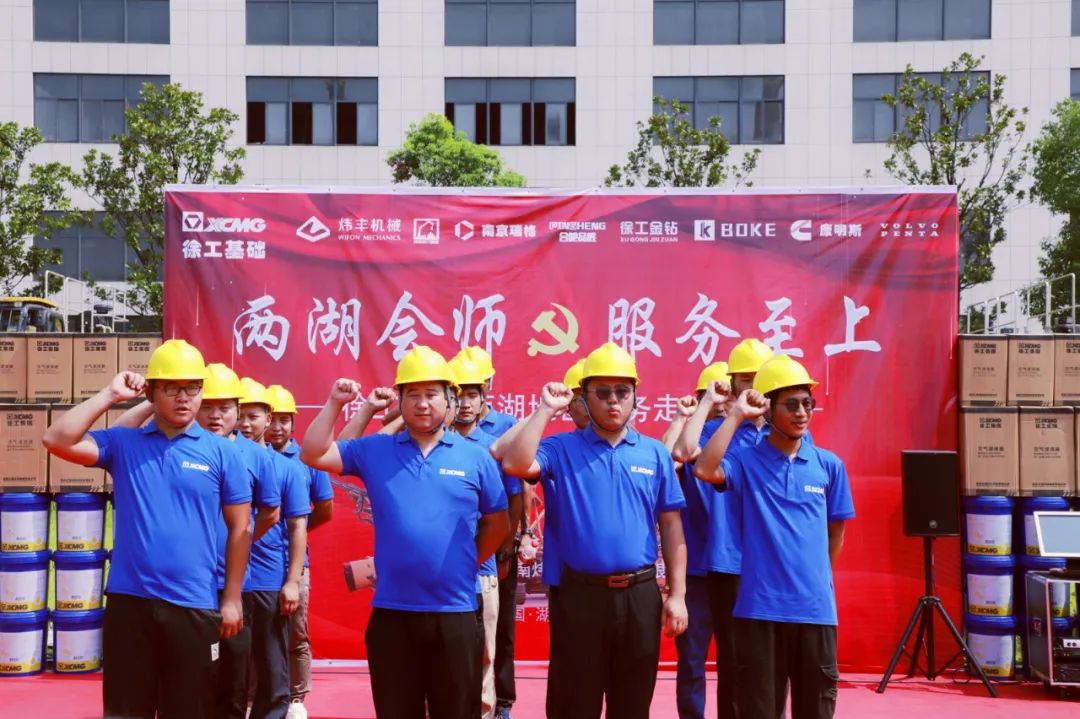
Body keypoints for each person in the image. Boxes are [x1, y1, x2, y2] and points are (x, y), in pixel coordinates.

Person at [41, 339, 252, 719]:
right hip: (130, 603)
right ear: (151, 393)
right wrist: (110, 395)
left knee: (190, 710)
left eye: (192, 388)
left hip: (193, 603)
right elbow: (55, 439)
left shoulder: (223, 452)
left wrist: (233, 598)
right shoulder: (124, 443)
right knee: (126, 710)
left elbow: (240, 529)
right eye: (171, 388)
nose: (184, 397)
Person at [301, 346, 510, 718]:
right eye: (412, 394)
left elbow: (499, 522)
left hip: (454, 613)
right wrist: (335, 403)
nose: (422, 403)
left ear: (449, 399)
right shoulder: (377, 450)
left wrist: (466, 563)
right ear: (400, 400)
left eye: (431, 394)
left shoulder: (475, 457)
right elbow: (314, 453)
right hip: (392, 614)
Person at [501, 342, 688, 719]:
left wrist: (678, 594)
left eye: (622, 391)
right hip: (581, 596)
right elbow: (516, 464)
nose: (613, 401)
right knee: (575, 703)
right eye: (601, 392)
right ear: (584, 398)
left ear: (635, 396)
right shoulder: (561, 448)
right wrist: (545, 409)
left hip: (640, 595)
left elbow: (670, 525)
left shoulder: (654, 453)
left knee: (632, 704)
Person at [694, 355, 855, 719]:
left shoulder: (829, 465)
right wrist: (736, 413)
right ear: (768, 408)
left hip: (815, 613)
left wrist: (813, 583)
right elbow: (704, 468)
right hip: (759, 611)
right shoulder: (746, 460)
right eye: (791, 404)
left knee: (816, 710)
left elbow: (836, 534)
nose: (802, 413)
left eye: (807, 403)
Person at [673, 339, 774, 719]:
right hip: (714, 564)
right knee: (705, 661)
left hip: (765, 567)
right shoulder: (718, 432)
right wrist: (707, 404)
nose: (753, 388)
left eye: (760, 379)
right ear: (732, 386)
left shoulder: (783, 436)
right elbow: (683, 453)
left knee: (762, 662)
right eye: (744, 380)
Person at [449, 354, 521, 719]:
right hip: (441, 572)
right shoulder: (430, 446)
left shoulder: (493, 447)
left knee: (486, 650)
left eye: (471, 395)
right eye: (457, 395)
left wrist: (503, 551)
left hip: (482, 568)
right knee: (444, 654)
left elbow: (512, 501)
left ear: (483, 398)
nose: (464, 403)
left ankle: (489, 710)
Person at [236, 378, 312, 719]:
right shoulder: (219, 460)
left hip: (267, 580)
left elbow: (298, 528)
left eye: (253, 416)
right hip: (222, 580)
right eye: (240, 414)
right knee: (229, 663)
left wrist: (292, 581)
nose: (245, 423)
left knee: (272, 665)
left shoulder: (288, 469)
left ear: (268, 418)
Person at [262, 385, 335, 719]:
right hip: (254, 564)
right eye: (273, 419)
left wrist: (296, 535)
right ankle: (256, 695)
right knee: (258, 633)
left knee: (296, 632)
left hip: (294, 565)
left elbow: (325, 509)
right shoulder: (251, 455)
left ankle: (295, 697)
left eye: (284, 420)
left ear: (293, 422)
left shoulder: (307, 459)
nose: (277, 427)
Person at [662, 361, 729, 719]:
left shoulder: (742, 442)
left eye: (726, 396)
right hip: (697, 571)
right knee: (691, 661)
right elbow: (665, 460)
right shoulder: (690, 443)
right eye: (711, 397)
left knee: (742, 660)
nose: (720, 403)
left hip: (737, 570)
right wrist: (682, 417)